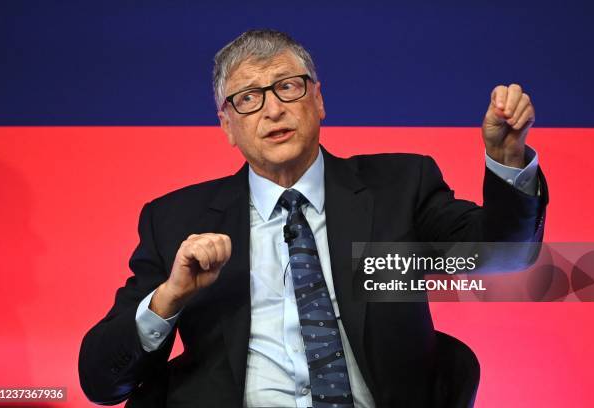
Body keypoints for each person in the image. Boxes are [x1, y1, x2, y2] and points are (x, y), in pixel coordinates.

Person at [79, 29, 547, 408]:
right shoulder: (176, 220)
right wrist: (169, 298)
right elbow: (102, 381)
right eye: (248, 98)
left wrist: (507, 160)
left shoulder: (399, 187)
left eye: (287, 86)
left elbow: (501, 254)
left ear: (318, 101)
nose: (273, 109)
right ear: (227, 125)